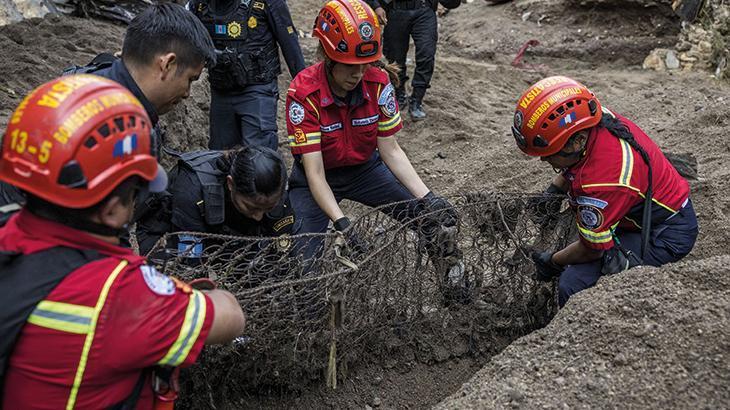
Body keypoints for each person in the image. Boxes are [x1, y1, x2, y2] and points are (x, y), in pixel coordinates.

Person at [0, 75, 246, 408]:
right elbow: (231, 317)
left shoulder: (7, 236)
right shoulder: (118, 292)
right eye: (136, 193)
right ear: (114, 208)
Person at [287, 0, 465, 301]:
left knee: (434, 222)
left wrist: (428, 197)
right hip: (314, 179)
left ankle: (455, 289)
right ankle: (311, 320)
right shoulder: (304, 93)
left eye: (364, 65)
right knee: (302, 263)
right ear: (329, 57)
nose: (358, 74)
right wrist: (341, 221)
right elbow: (315, 173)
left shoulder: (379, 83)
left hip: (365, 171)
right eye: (350, 66)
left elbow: (391, 151)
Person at [512, 76, 699, 307]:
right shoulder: (594, 116)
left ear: (577, 141)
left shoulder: (601, 185)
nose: (543, 159)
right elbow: (578, 161)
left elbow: (593, 250)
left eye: (550, 153)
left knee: (572, 284)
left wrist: (551, 261)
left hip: (665, 231)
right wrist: (555, 190)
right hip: (644, 200)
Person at [136, 145, 296, 257]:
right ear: (230, 183)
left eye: (267, 208)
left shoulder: (275, 191)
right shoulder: (193, 189)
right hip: (166, 229)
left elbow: (280, 254)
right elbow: (191, 265)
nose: (258, 217)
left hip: (228, 225)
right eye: (252, 208)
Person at [187, 0, 306, 151]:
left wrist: (305, 92)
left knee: (259, 158)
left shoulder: (268, 3)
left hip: (257, 90)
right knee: (220, 156)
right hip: (221, 90)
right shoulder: (198, 4)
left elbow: (290, 44)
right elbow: (184, 36)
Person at [365, 0, 460, 121]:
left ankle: (417, 99)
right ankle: (399, 93)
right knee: (395, 57)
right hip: (395, 10)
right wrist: (376, 6)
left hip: (424, 10)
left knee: (427, 55)